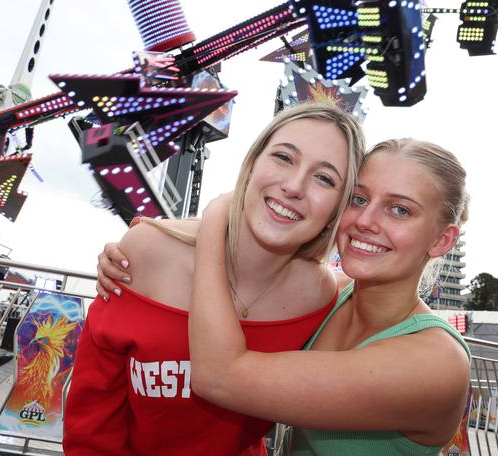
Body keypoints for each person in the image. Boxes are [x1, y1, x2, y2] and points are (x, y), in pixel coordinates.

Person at [98, 138, 472, 455]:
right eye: (358, 199)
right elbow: (256, 261)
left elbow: (219, 378)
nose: (365, 221)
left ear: (442, 240)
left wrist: (216, 219)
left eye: (399, 210)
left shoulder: (436, 364)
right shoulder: (330, 293)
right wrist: (143, 248)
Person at [63, 102, 365, 455]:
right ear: (251, 166)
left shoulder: (323, 297)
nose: (295, 186)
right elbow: (92, 414)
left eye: (324, 178)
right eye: (284, 158)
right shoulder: (147, 251)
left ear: (336, 211)